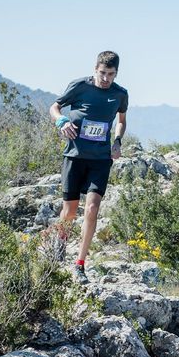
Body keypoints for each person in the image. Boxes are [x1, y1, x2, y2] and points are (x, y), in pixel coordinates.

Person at [48, 50, 128, 283]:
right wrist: (62, 121)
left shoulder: (120, 94)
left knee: (92, 208)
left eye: (110, 74)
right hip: (74, 156)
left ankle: (80, 264)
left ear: (116, 73)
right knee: (70, 212)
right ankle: (58, 250)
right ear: (95, 69)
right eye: (102, 73)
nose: (105, 79)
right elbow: (54, 108)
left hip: (100, 160)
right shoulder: (80, 86)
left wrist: (117, 141)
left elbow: (121, 121)